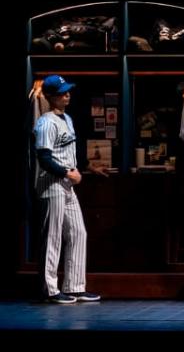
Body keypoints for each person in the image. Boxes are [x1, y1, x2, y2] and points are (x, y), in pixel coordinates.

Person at [34, 74, 107, 303]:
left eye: (68, 91)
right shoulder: (45, 122)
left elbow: (67, 151)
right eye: (62, 92)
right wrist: (67, 173)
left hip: (67, 183)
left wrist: (87, 167)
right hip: (51, 182)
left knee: (78, 232)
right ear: (50, 96)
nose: (67, 94)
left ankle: (75, 286)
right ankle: (50, 289)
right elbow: (44, 157)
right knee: (53, 236)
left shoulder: (67, 118)